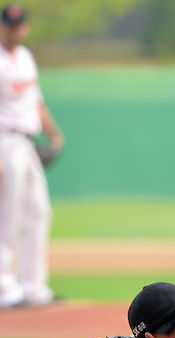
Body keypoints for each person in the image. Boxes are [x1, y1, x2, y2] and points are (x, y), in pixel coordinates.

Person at [0, 4, 64, 309]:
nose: (15, 30)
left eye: (19, 25)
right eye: (10, 25)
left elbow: (36, 102)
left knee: (39, 211)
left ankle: (33, 286)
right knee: (7, 215)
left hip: (27, 141)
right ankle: (3, 285)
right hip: (5, 139)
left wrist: (55, 135)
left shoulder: (25, 56)